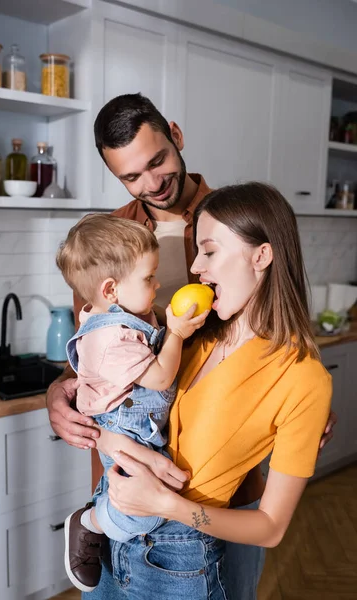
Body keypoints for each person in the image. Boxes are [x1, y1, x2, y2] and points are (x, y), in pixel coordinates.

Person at [46, 93, 337, 599]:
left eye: (157, 162)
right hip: (128, 472)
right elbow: (98, 356)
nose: (151, 184)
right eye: (131, 177)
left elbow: (278, 327)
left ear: (176, 137)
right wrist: (60, 389)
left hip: (222, 490)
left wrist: (299, 409)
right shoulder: (106, 241)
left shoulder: (237, 222)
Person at [55, 214, 208, 592]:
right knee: (143, 514)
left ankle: (103, 515)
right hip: (126, 431)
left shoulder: (126, 315)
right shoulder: (109, 337)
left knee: (146, 500)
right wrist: (174, 332)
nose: (158, 284)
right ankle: (89, 522)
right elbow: (159, 377)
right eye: (149, 278)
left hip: (142, 430)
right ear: (110, 290)